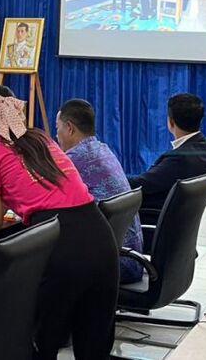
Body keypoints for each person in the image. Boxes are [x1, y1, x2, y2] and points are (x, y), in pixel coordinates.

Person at [0, 85, 118, 360]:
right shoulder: (40, 139)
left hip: (60, 245)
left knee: (42, 344)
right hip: (99, 236)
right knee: (93, 347)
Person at [56, 98, 143, 284]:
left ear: (69, 128)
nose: (57, 136)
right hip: (131, 258)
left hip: (111, 265)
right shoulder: (103, 150)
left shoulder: (72, 160)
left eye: (58, 128)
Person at [128, 93, 206, 216]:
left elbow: (140, 184)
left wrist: (113, 179)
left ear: (171, 121)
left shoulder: (179, 159)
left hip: (152, 213)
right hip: (178, 214)